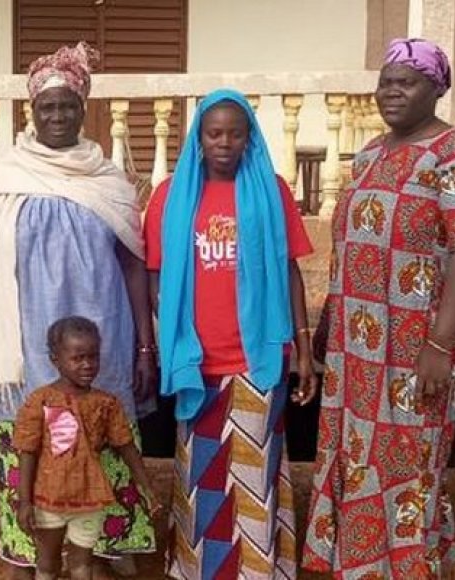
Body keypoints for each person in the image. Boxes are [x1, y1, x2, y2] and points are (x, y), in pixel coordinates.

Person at [0, 42, 157, 578]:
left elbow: (133, 266)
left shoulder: (108, 181)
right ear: (31, 113)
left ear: (84, 109)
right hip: (28, 340)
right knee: (34, 435)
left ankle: (105, 543)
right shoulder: (6, 179)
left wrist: (143, 345)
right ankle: (30, 548)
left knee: (105, 429)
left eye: (67, 105)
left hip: (103, 335)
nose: (57, 115)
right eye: (47, 107)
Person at [302, 38, 455, 578]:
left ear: (436, 89)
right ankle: (359, 560)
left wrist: (439, 343)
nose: (392, 91)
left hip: (415, 343)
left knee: (409, 451)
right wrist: (329, 320)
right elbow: (352, 247)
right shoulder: (369, 154)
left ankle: (405, 564)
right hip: (355, 346)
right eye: (386, 81)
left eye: (407, 82)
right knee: (354, 447)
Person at [143, 88, 317, 579]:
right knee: (201, 473)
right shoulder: (171, 196)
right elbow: (155, 273)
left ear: (249, 138)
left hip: (257, 358)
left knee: (255, 470)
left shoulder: (271, 191)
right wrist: (170, 333)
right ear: (198, 138)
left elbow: (289, 271)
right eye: (214, 133)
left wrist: (304, 348)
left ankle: (260, 569)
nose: (224, 142)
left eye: (235, 134)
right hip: (196, 361)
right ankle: (198, 568)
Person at [14, 316, 160, 580]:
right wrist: (25, 502)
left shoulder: (106, 403)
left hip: (90, 500)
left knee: (82, 565)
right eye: (78, 358)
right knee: (47, 564)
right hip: (48, 500)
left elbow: (125, 445)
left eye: (93, 357)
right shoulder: (40, 401)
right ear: (55, 359)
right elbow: (28, 452)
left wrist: (145, 486)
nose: (87, 365)